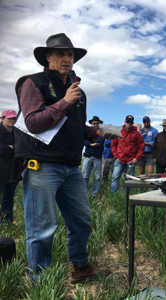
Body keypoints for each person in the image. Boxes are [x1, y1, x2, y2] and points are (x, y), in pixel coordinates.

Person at [14, 33, 107, 282]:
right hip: (42, 166)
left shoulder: (78, 92)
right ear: (48, 57)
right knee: (42, 228)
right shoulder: (32, 83)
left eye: (70, 54)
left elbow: (75, 128)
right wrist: (64, 102)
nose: (67, 58)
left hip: (71, 167)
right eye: (61, 54)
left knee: (82, 220)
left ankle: (80, 266)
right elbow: (33, 122)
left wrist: (100, 132)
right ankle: (40, 281)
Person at [0, 110, 22, 225]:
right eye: (9, 118)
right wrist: (14, 149)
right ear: (2, 118)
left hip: (14, 170)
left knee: (9, 197)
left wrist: (12, 148)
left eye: (14, 118)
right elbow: (1, 149)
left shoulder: (17, 132)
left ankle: (7, 221)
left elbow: (23, 147)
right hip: (2, 170)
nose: (12, 120)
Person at [111, 115, 144, 192]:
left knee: (129, 179)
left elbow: (141, 147)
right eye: (128, 122)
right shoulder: (119, 132)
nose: (129, 123)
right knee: (115, 177)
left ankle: (126, 195)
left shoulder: (137, 133)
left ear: (133, 123)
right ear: (125, 122)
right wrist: (116, 156)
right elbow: (113, 145)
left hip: (131, 160)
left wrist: (137, 158)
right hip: (120, 159)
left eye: (131, 122)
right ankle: (115, 194)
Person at [82, 116, 104, 197]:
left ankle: (95, 194)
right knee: (84, 177)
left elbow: (100, 140)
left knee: (97, 177)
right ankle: (85, 194)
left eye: (97, 123)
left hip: (97, 157)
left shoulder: (102, 132)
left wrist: (89, 142)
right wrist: (90, 144)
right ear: (91, 124)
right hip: (87, 157)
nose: (95, 125)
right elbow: (83, 140)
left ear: (99, 124)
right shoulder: (87, 132)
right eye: (94, 123)